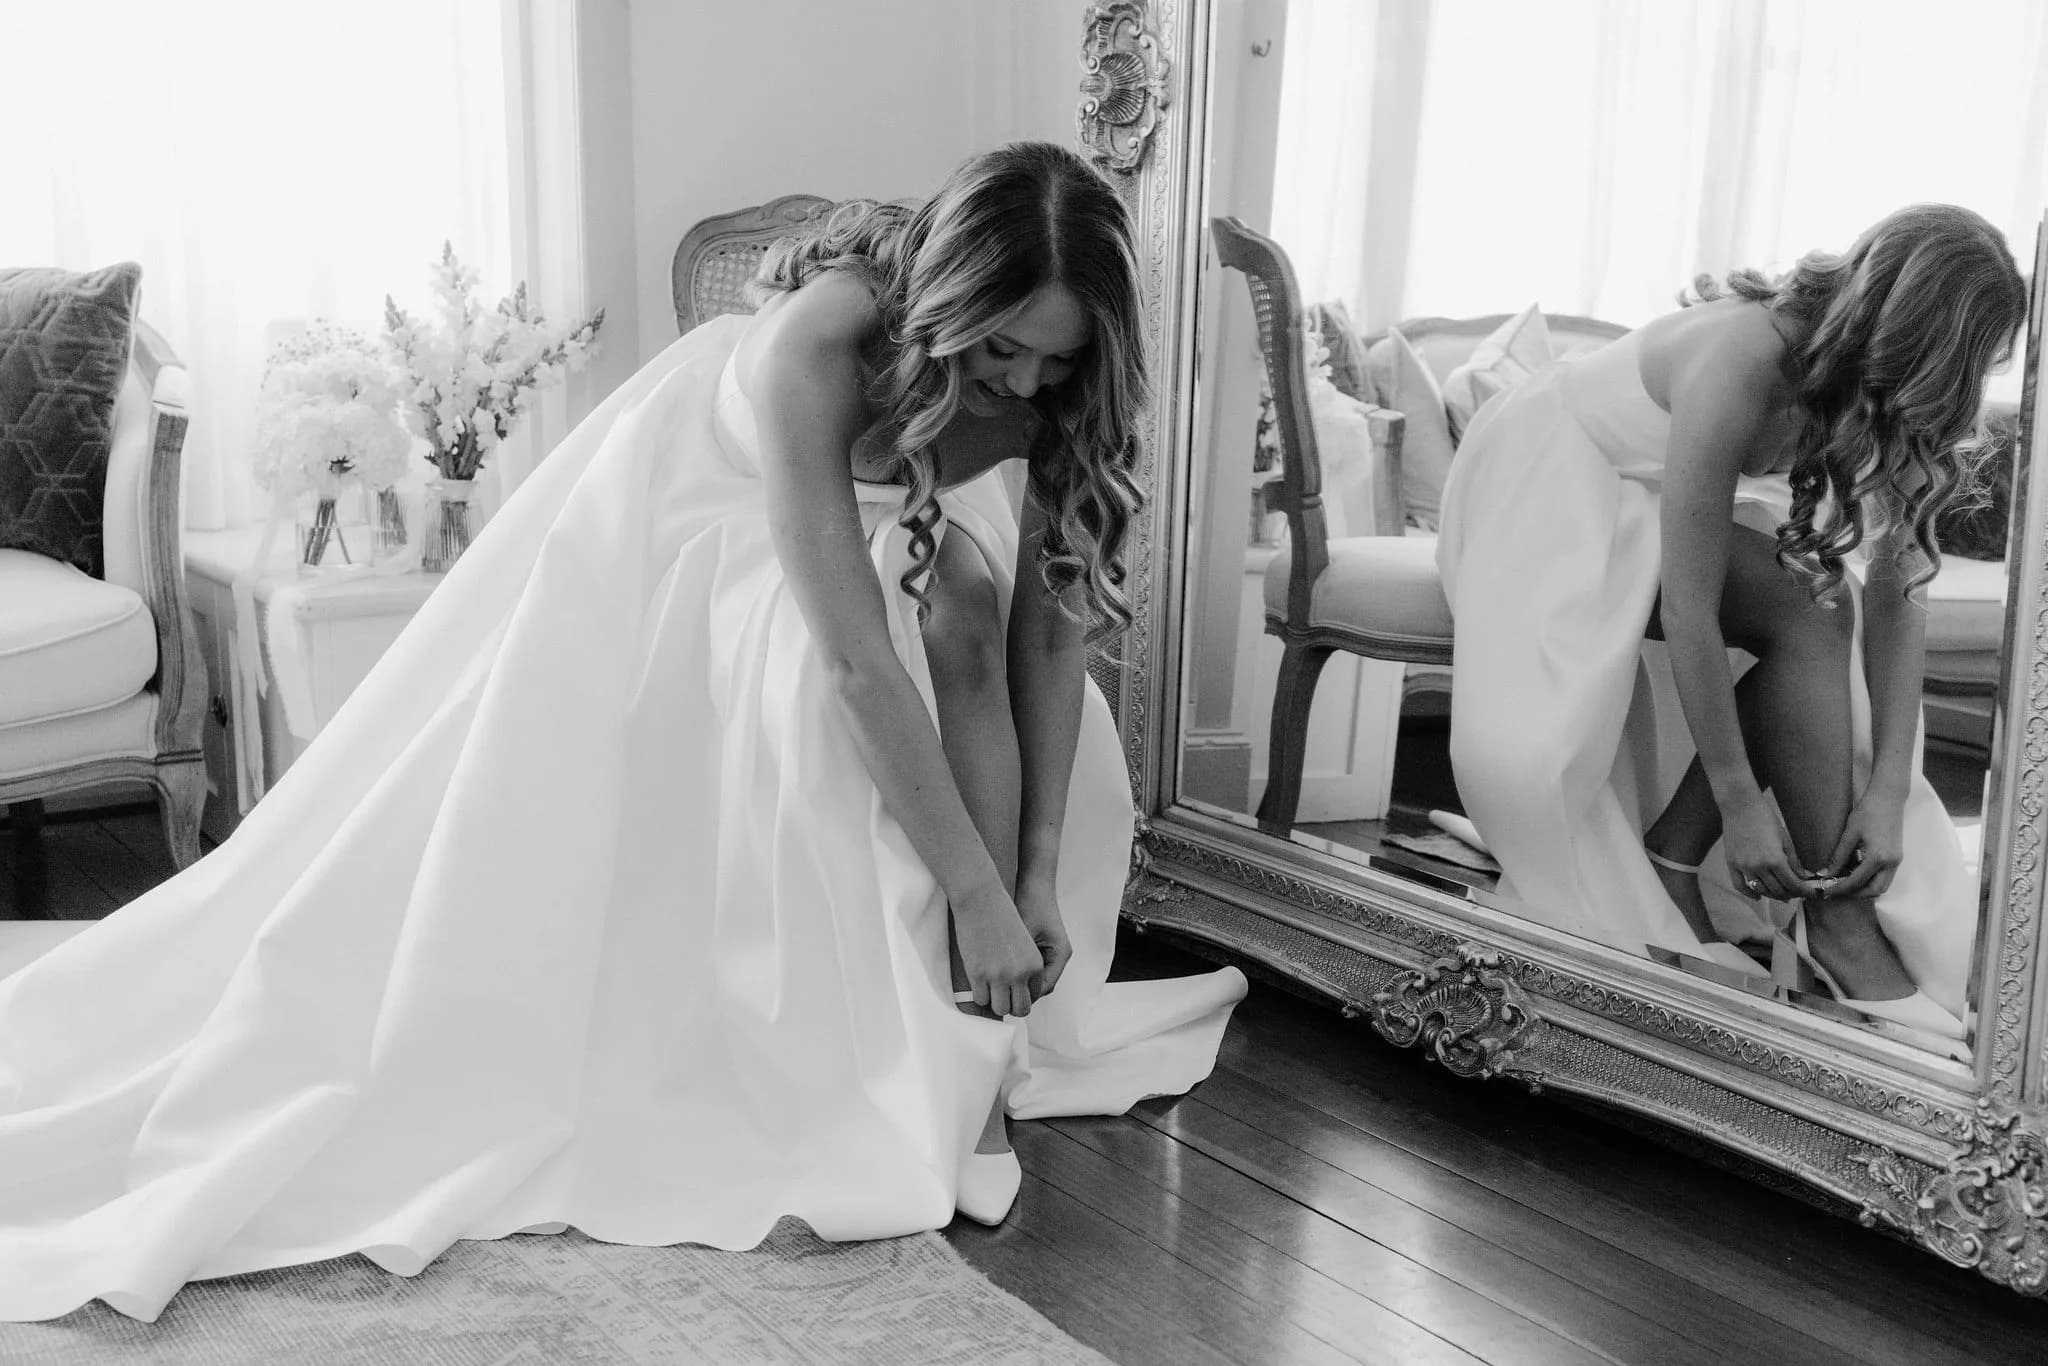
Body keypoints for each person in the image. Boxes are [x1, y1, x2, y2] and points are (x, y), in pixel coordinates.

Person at [0, 141, 1246, 1324]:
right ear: (945, 308)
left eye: (1054, 363)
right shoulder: (827, 338)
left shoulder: (1068, 385)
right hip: (696, 518)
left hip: (901, 514)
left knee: (968, 614)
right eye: (1001, 354)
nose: (1026, 387)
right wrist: (968, 889)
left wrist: (1033, 877)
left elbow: (1046, 632)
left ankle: (990, 1036)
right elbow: (857, 657)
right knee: (857, 673)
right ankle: (956, 1009)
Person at [1436, 204, 2027, 1048]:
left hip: (1642, 489)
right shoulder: (1741, 360)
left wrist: (1890, 787)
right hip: (1548, 485)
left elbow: (1901, 590)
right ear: (1916, 336)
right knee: (1803, 602)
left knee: (1828, 602)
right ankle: (1840, 928)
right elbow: (1691, 608)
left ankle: (1760, 889)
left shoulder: (1873, 389)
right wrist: (1740, 801)